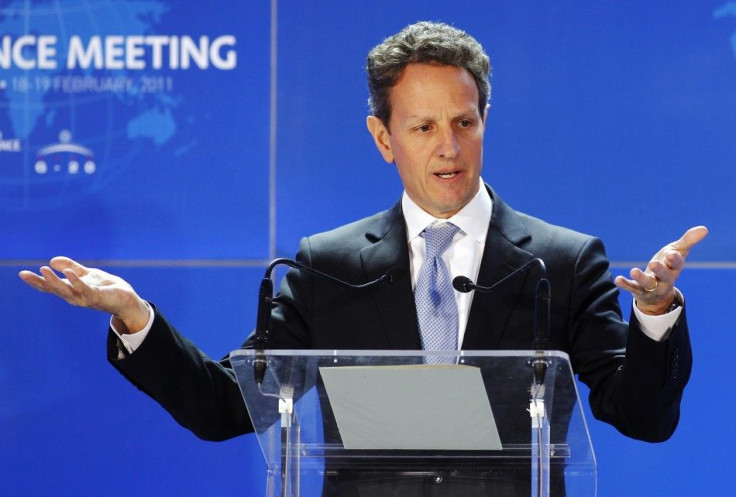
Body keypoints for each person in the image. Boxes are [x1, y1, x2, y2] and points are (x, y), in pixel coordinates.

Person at [20, 21, 706, 496]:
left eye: (465, 122)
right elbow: (227, 406)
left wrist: (654, 315)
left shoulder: (557, 260)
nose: (449, 146)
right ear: (384, 138)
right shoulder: (330, 266)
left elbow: (643, 417)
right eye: (424, 126)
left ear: (485, 122)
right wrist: (136, 316)